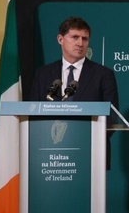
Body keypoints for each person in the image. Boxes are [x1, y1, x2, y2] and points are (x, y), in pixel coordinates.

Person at [29, 16, 120, 166]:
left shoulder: (103, 74)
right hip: (50, 153)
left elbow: (111, 116)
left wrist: (84, 141)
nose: (80, 43)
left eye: (85, 39)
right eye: (75, 37)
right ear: (60, 39)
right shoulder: (43, 74)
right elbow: (33, 114)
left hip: (90, 153)